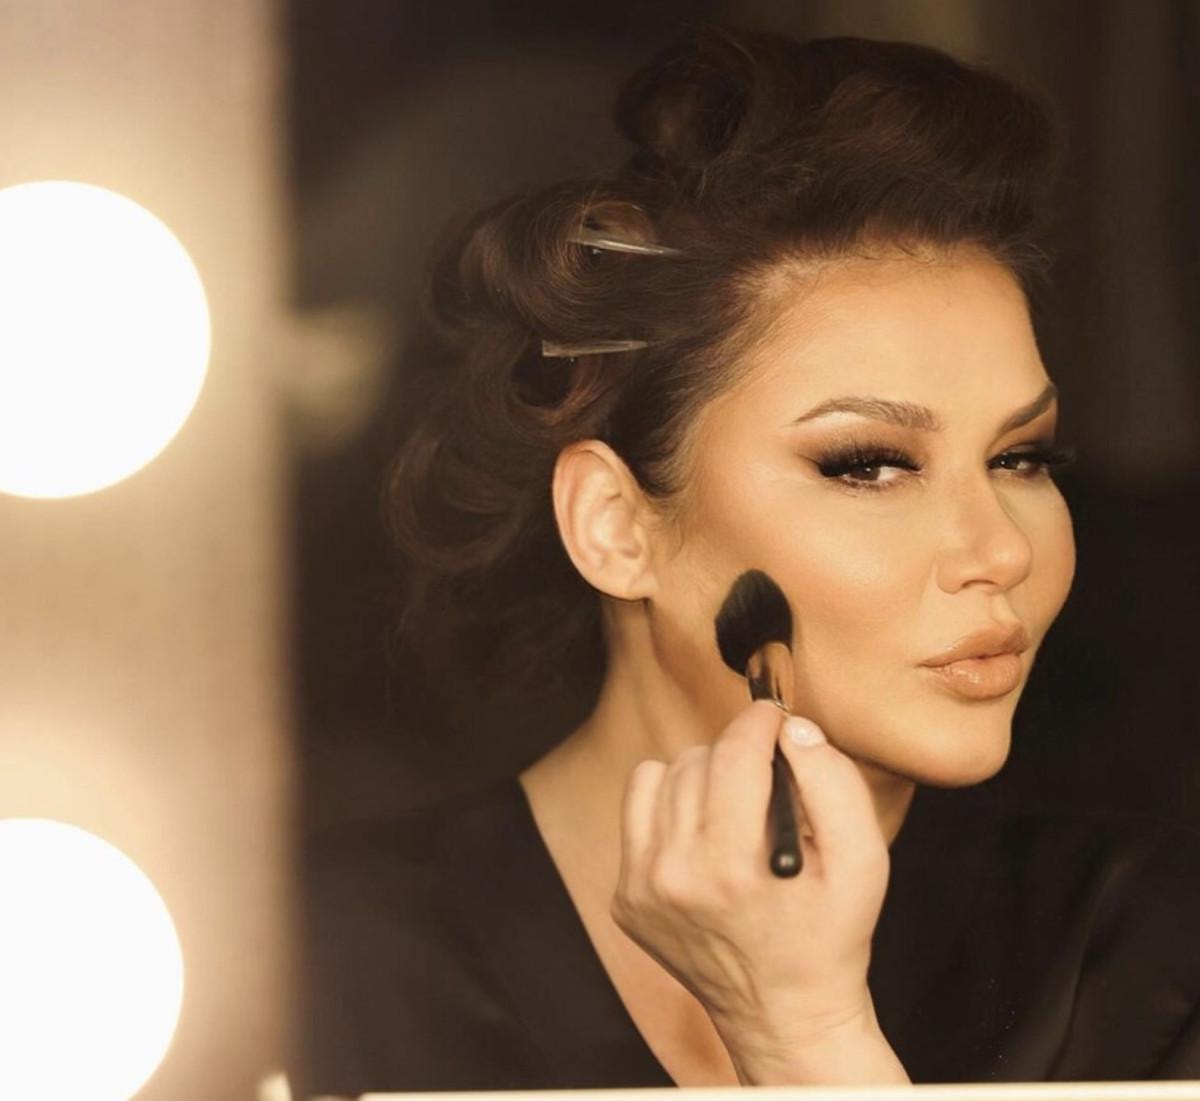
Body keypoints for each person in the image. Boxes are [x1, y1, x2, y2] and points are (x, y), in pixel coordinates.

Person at [293, 25, 1200, 1095]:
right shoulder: (306, 966)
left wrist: (805, 1038)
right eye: (868, 465)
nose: (1001, 549)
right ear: (615, 525)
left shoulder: (1148, 951)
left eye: (1021, 457)